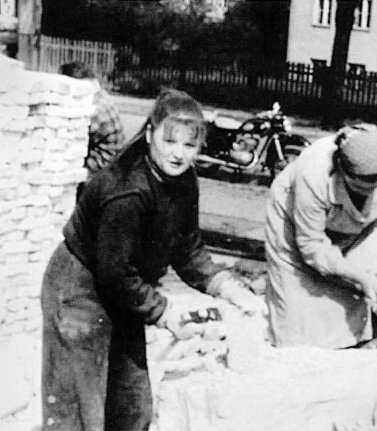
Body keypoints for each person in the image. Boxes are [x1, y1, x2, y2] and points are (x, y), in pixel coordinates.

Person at [40, 89, 264, 431]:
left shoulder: (184, 180)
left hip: (125, 289)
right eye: (169, 140)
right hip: (80, 288)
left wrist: (227, 288)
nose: (178, 154)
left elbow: (188, 250)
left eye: (189, 145)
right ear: (149, 135)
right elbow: (113, 273)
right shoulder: (128, 190)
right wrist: (163, 312)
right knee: (81, 408)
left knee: (131, 405)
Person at [265, 123, 377, 349]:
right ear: (341, 169)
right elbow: (312, 247)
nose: (368, 191)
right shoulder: (313, 172)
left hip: (361, 225)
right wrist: (358, 277)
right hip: (295, 227)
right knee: (302, 328)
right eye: (359, 188)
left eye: (374, 185)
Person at [59, 62, 126, 199]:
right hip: (113, 162)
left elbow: (72, 138)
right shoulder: (101, 96)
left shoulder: (93, 108)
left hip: (101, 167)